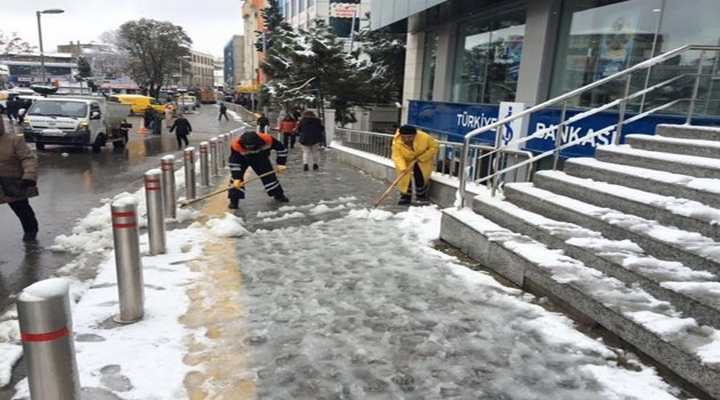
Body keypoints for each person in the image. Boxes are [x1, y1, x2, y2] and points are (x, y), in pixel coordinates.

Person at [227, 130, 289, 209]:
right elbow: (234, 162)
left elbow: (281, 149)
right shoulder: (236, 145)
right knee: (236, 181)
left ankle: (279, 195)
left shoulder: (268, 139)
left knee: (269, 177)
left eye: (252, 146)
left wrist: (281, 163)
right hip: (242, 159)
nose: (250, 148)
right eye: (248, 146)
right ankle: (234, 201)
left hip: (260, 158)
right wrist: (236, 177)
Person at [0, 117, 39, 241]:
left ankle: (31, 232)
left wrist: (29, 176)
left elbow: (28, 159)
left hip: (12, 183)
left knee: (21, 208)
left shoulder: (14, 140)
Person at [391, 125, 439, 205]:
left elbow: (434, 147)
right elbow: (397, 156)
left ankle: (421, 196)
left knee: (420, 176)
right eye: (404, 137)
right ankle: (405, 196)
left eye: (409, 137)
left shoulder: (424, 137)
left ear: (414, 135)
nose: (407, 139)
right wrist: (403, 168)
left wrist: (423, 157)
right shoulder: (397, 141)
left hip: (422, 159)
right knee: (404, 178)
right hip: (405, 159)